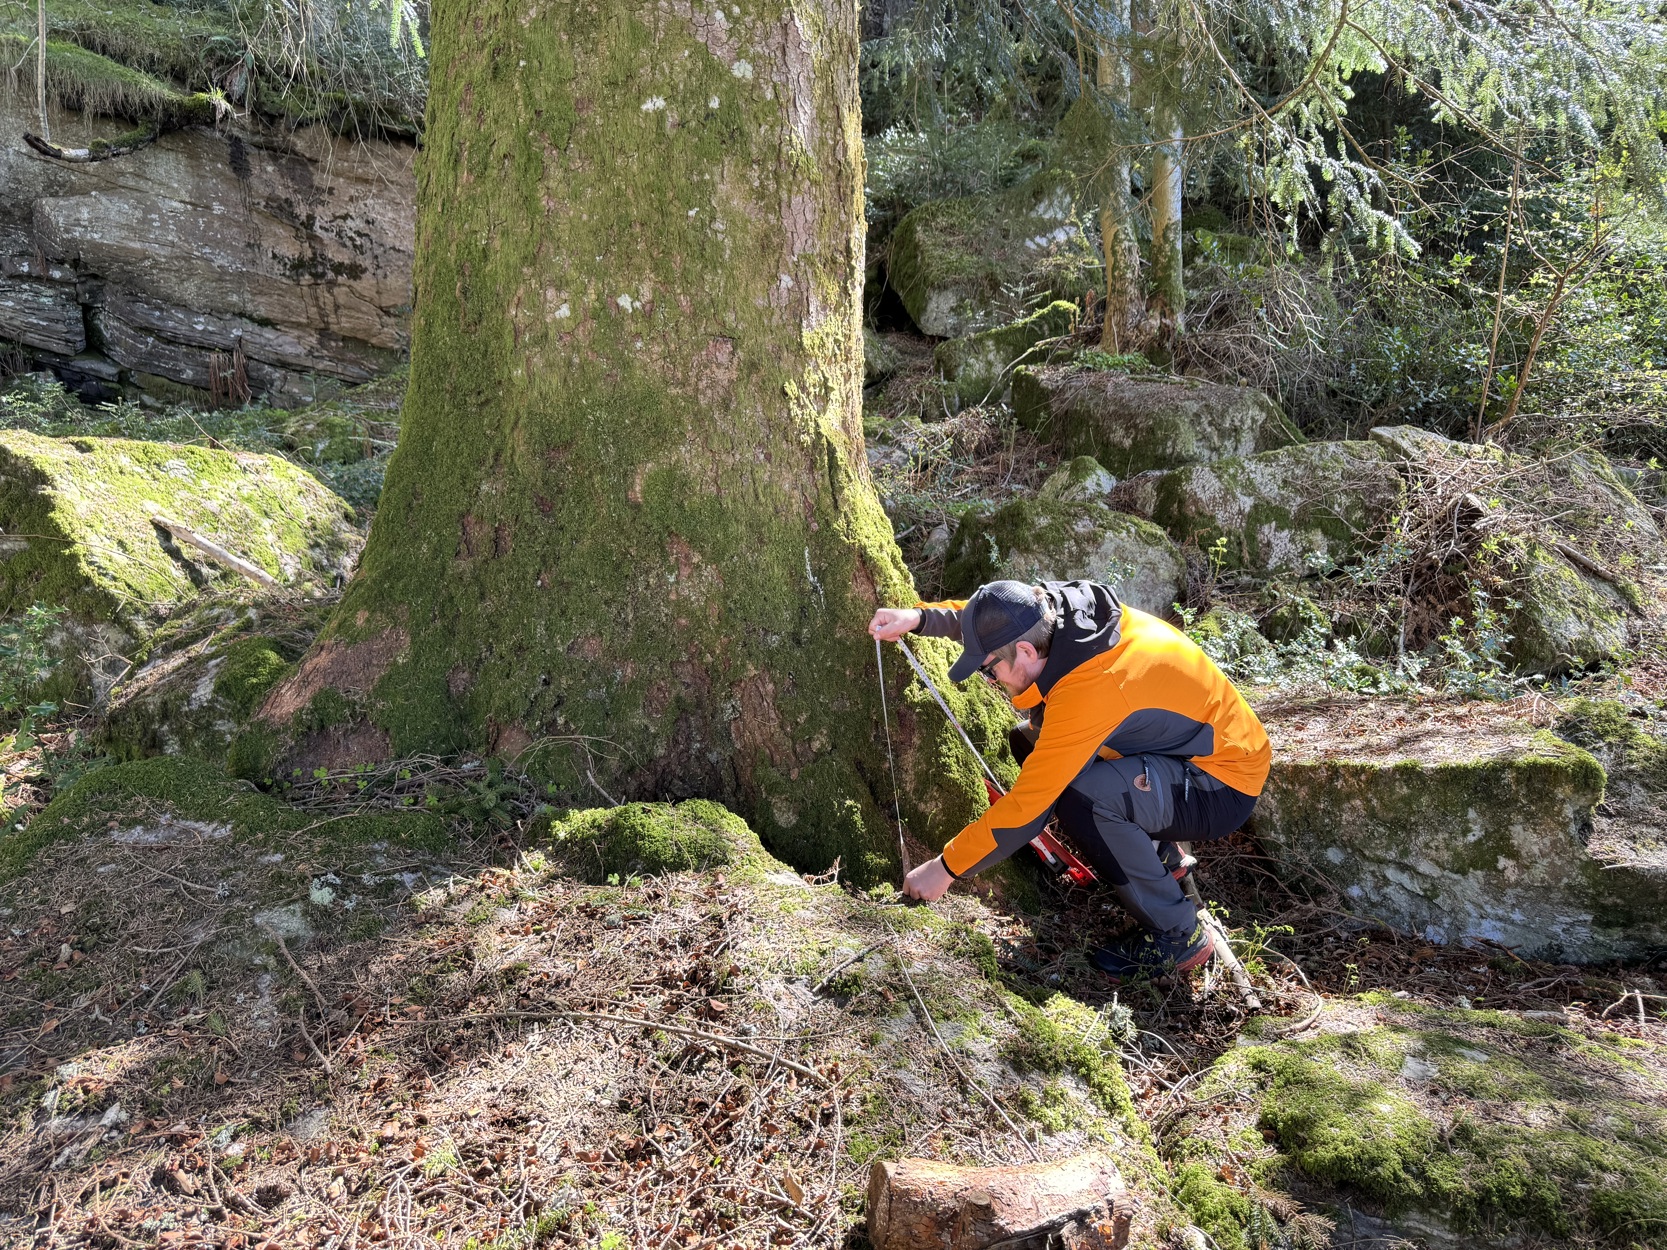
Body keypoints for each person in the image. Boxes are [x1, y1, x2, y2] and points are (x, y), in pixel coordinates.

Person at [867, 578, 1270, 982]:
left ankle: (1179, 934)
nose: (990, 680)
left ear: (1026, 652)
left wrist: (945, 868)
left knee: (1084, 801)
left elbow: (1027, 810)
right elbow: (995, 617)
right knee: (1030, 742)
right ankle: (1157, 856)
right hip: (1180, 749)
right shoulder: (1060, 616)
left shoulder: (1091, 689)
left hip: (1220, 783)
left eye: (989, 670)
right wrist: (919, 618)